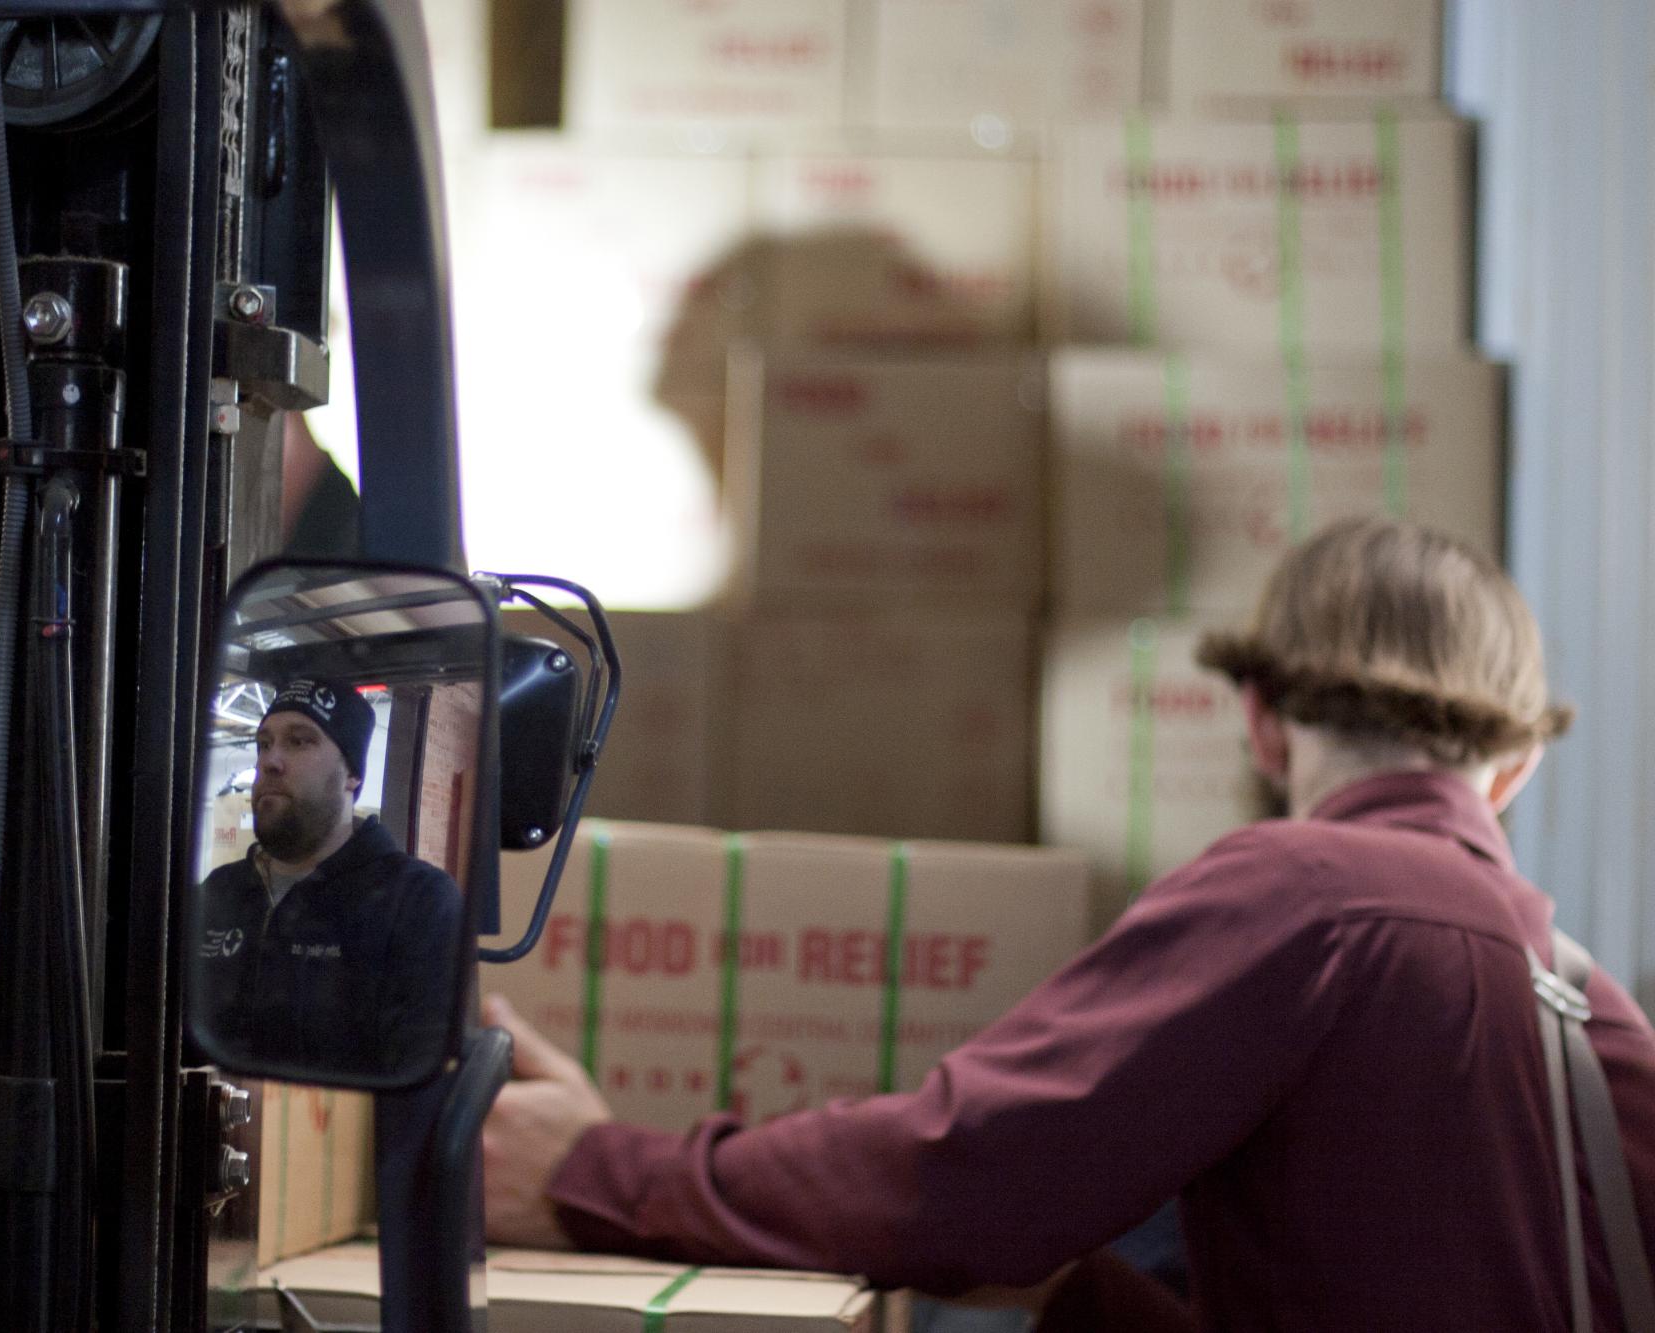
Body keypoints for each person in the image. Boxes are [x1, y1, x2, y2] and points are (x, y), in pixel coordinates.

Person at [481, 517, 1655, 1330]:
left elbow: (960, 1182)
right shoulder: (1601, 1020)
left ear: (1259, 722)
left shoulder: (1303, 897)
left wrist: (598, 1171)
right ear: (1513, 768)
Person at [194, 677, 461, 1081]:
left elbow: (422, 1087)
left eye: (300, 742)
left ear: (352, 774)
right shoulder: (216, 893)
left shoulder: (416, 901)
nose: (270, 761)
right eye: (264, 744)